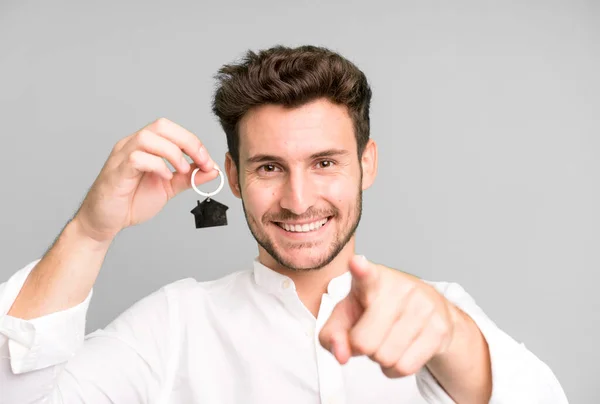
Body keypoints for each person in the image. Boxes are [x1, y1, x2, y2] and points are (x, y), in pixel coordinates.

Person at [0, 45, 567, 404]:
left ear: (366, 164)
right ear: (234, 176)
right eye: (270, 167)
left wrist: (453, 335)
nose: (298, 201)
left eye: (325, 163)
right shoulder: (173, 327)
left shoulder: (437, 313)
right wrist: (90, 232)